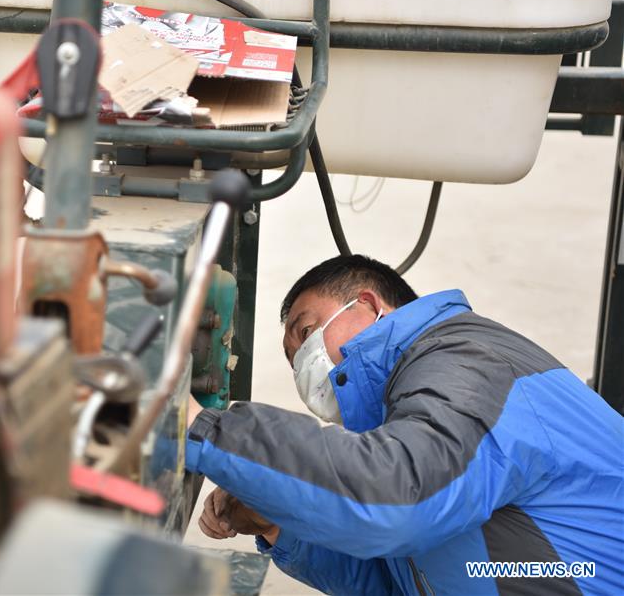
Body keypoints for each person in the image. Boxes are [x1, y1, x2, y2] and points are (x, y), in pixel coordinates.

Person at [185, 255, 623, 595]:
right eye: (292, 360)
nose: (304, 363)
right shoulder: (412, 415)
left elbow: (402, 499)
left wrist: (202, 426)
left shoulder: (468, 362)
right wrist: (277, 522)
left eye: (308, 331)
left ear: (370, 305)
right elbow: (403, 578)